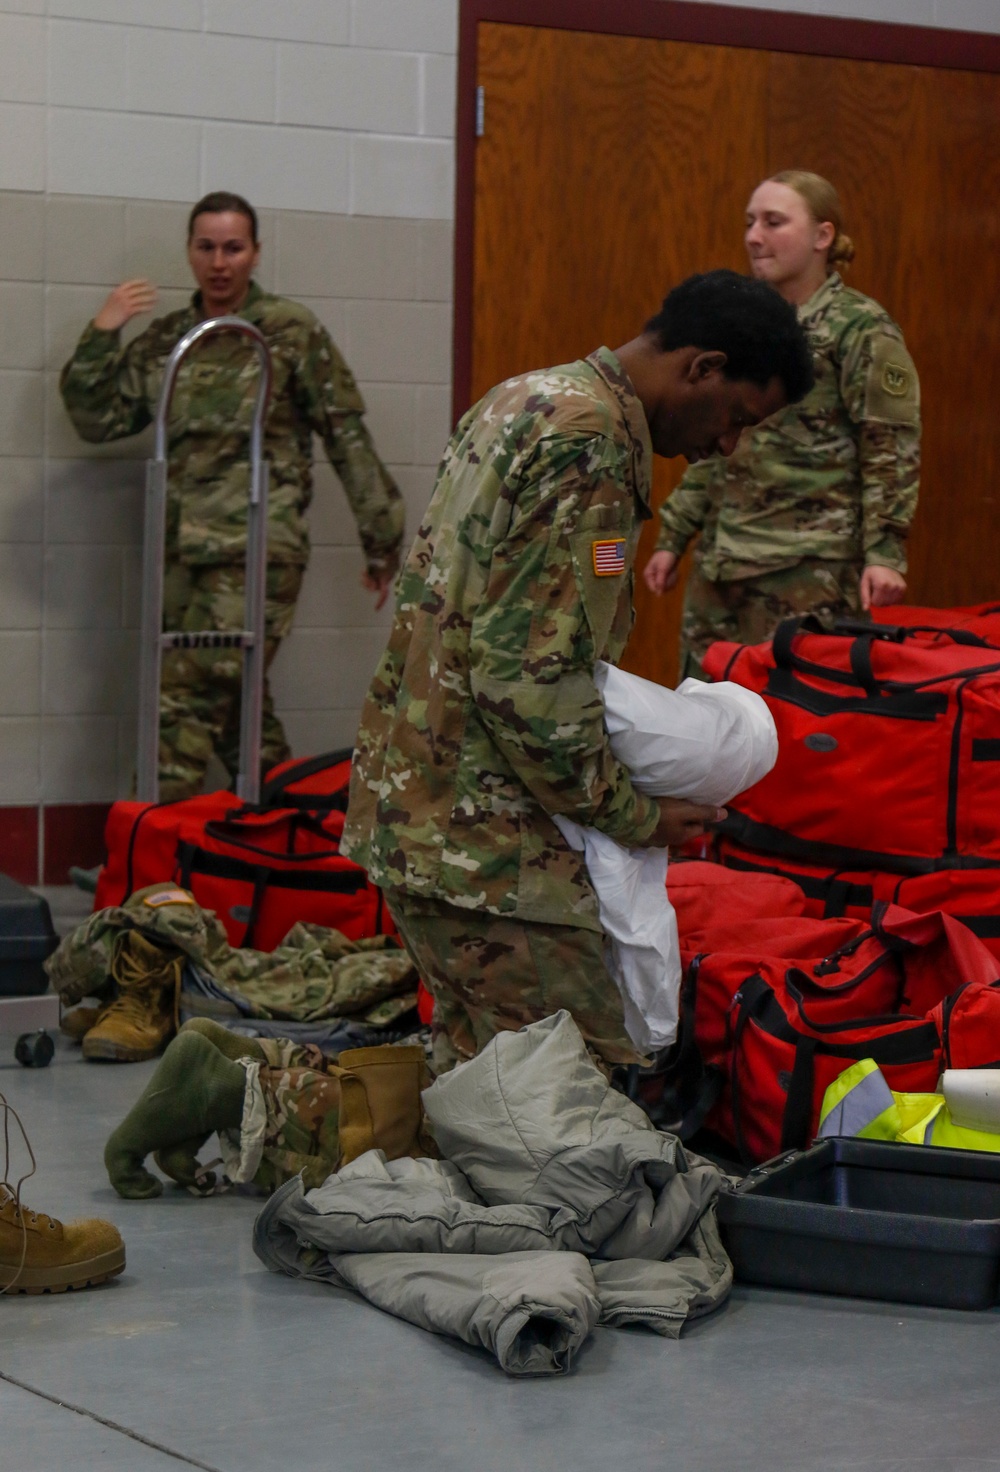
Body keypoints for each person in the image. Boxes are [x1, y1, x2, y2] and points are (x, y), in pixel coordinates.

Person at [341, 270, 814, 1074]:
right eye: (737, 418)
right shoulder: (588, 443)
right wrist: (635, 815)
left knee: (479, 1094)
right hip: (490, 849)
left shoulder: (523, 397)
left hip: (423, 808)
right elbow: (529, 679)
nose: (727, 445)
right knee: (577, 1119)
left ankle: (246, 1097)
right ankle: (262, 1103)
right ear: (702, 367)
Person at [60, 190, 405, 800]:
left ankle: (154, 870)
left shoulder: (291, 332)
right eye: (206, 247)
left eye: (233, 248)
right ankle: (296, 837)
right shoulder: (172, 337)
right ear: (191, 253)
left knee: (184, 703)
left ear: (255, 254)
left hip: (257, 553)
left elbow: (346, 435)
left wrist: (382, 540)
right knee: (238, 716)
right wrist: (101, 334)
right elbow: (98, 419)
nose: (220, 262)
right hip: (182, 554)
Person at [644, 171, 921, 679]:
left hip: (807, 569)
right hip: (721, 563)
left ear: (823, 236)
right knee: (702, 719)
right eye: (750, 222)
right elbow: (715, 444)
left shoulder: (860, 329)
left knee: (796, 722)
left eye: (774, 222)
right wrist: (674, 535)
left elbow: (890, 446)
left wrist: (885, 552)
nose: (754, 236)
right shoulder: (744, 325)